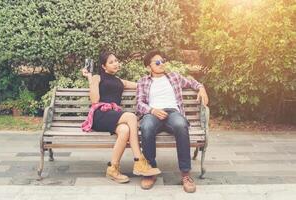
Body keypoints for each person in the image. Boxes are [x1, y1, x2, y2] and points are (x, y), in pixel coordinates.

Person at [81, 50, 161, 184]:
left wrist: (157, 79)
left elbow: (140, 85)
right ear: (104, 66)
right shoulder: (97, 78)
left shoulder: (120, 81)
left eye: (116, 61)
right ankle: (138, 160)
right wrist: (90, 78)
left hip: (113, 115)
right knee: (131, 117)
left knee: (124, 130)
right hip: (100, 114)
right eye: (111, 62)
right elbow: (95, 101)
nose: (115, 64)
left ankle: (113, 168)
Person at [136, 49, 209, 193]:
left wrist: (201, 88)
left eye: (162, 61)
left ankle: (186, 174)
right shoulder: (143, 81)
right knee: (146, 127)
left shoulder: (174, 77)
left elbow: (192, 83)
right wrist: (152, 110)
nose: (161, 63)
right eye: (157, 62)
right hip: (153, 113)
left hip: (173, 112)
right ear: (148, 66)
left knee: (181, 125)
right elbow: (139, 104)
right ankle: (150, 170)